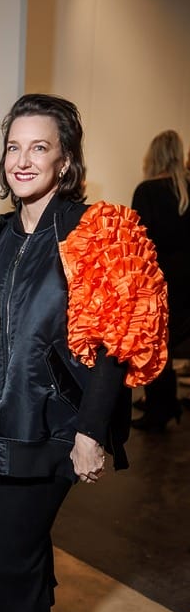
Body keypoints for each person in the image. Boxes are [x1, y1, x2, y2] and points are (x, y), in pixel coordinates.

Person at [0, 93, 168, 612]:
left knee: (15, 554)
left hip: (57, 424)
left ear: (64, 157)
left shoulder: (95, 227)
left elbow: (119, 338)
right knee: (21, 548)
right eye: (13, 146)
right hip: (1, 422)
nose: (23, 159)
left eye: (38, 146)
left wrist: (91, 432)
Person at [130, 130, 190, 431]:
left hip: (160, 279)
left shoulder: (148, 191)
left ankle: (161, 408)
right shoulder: (186, 189)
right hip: (187, 281)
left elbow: (139, 242)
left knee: (156, 346)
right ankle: (165, 404)